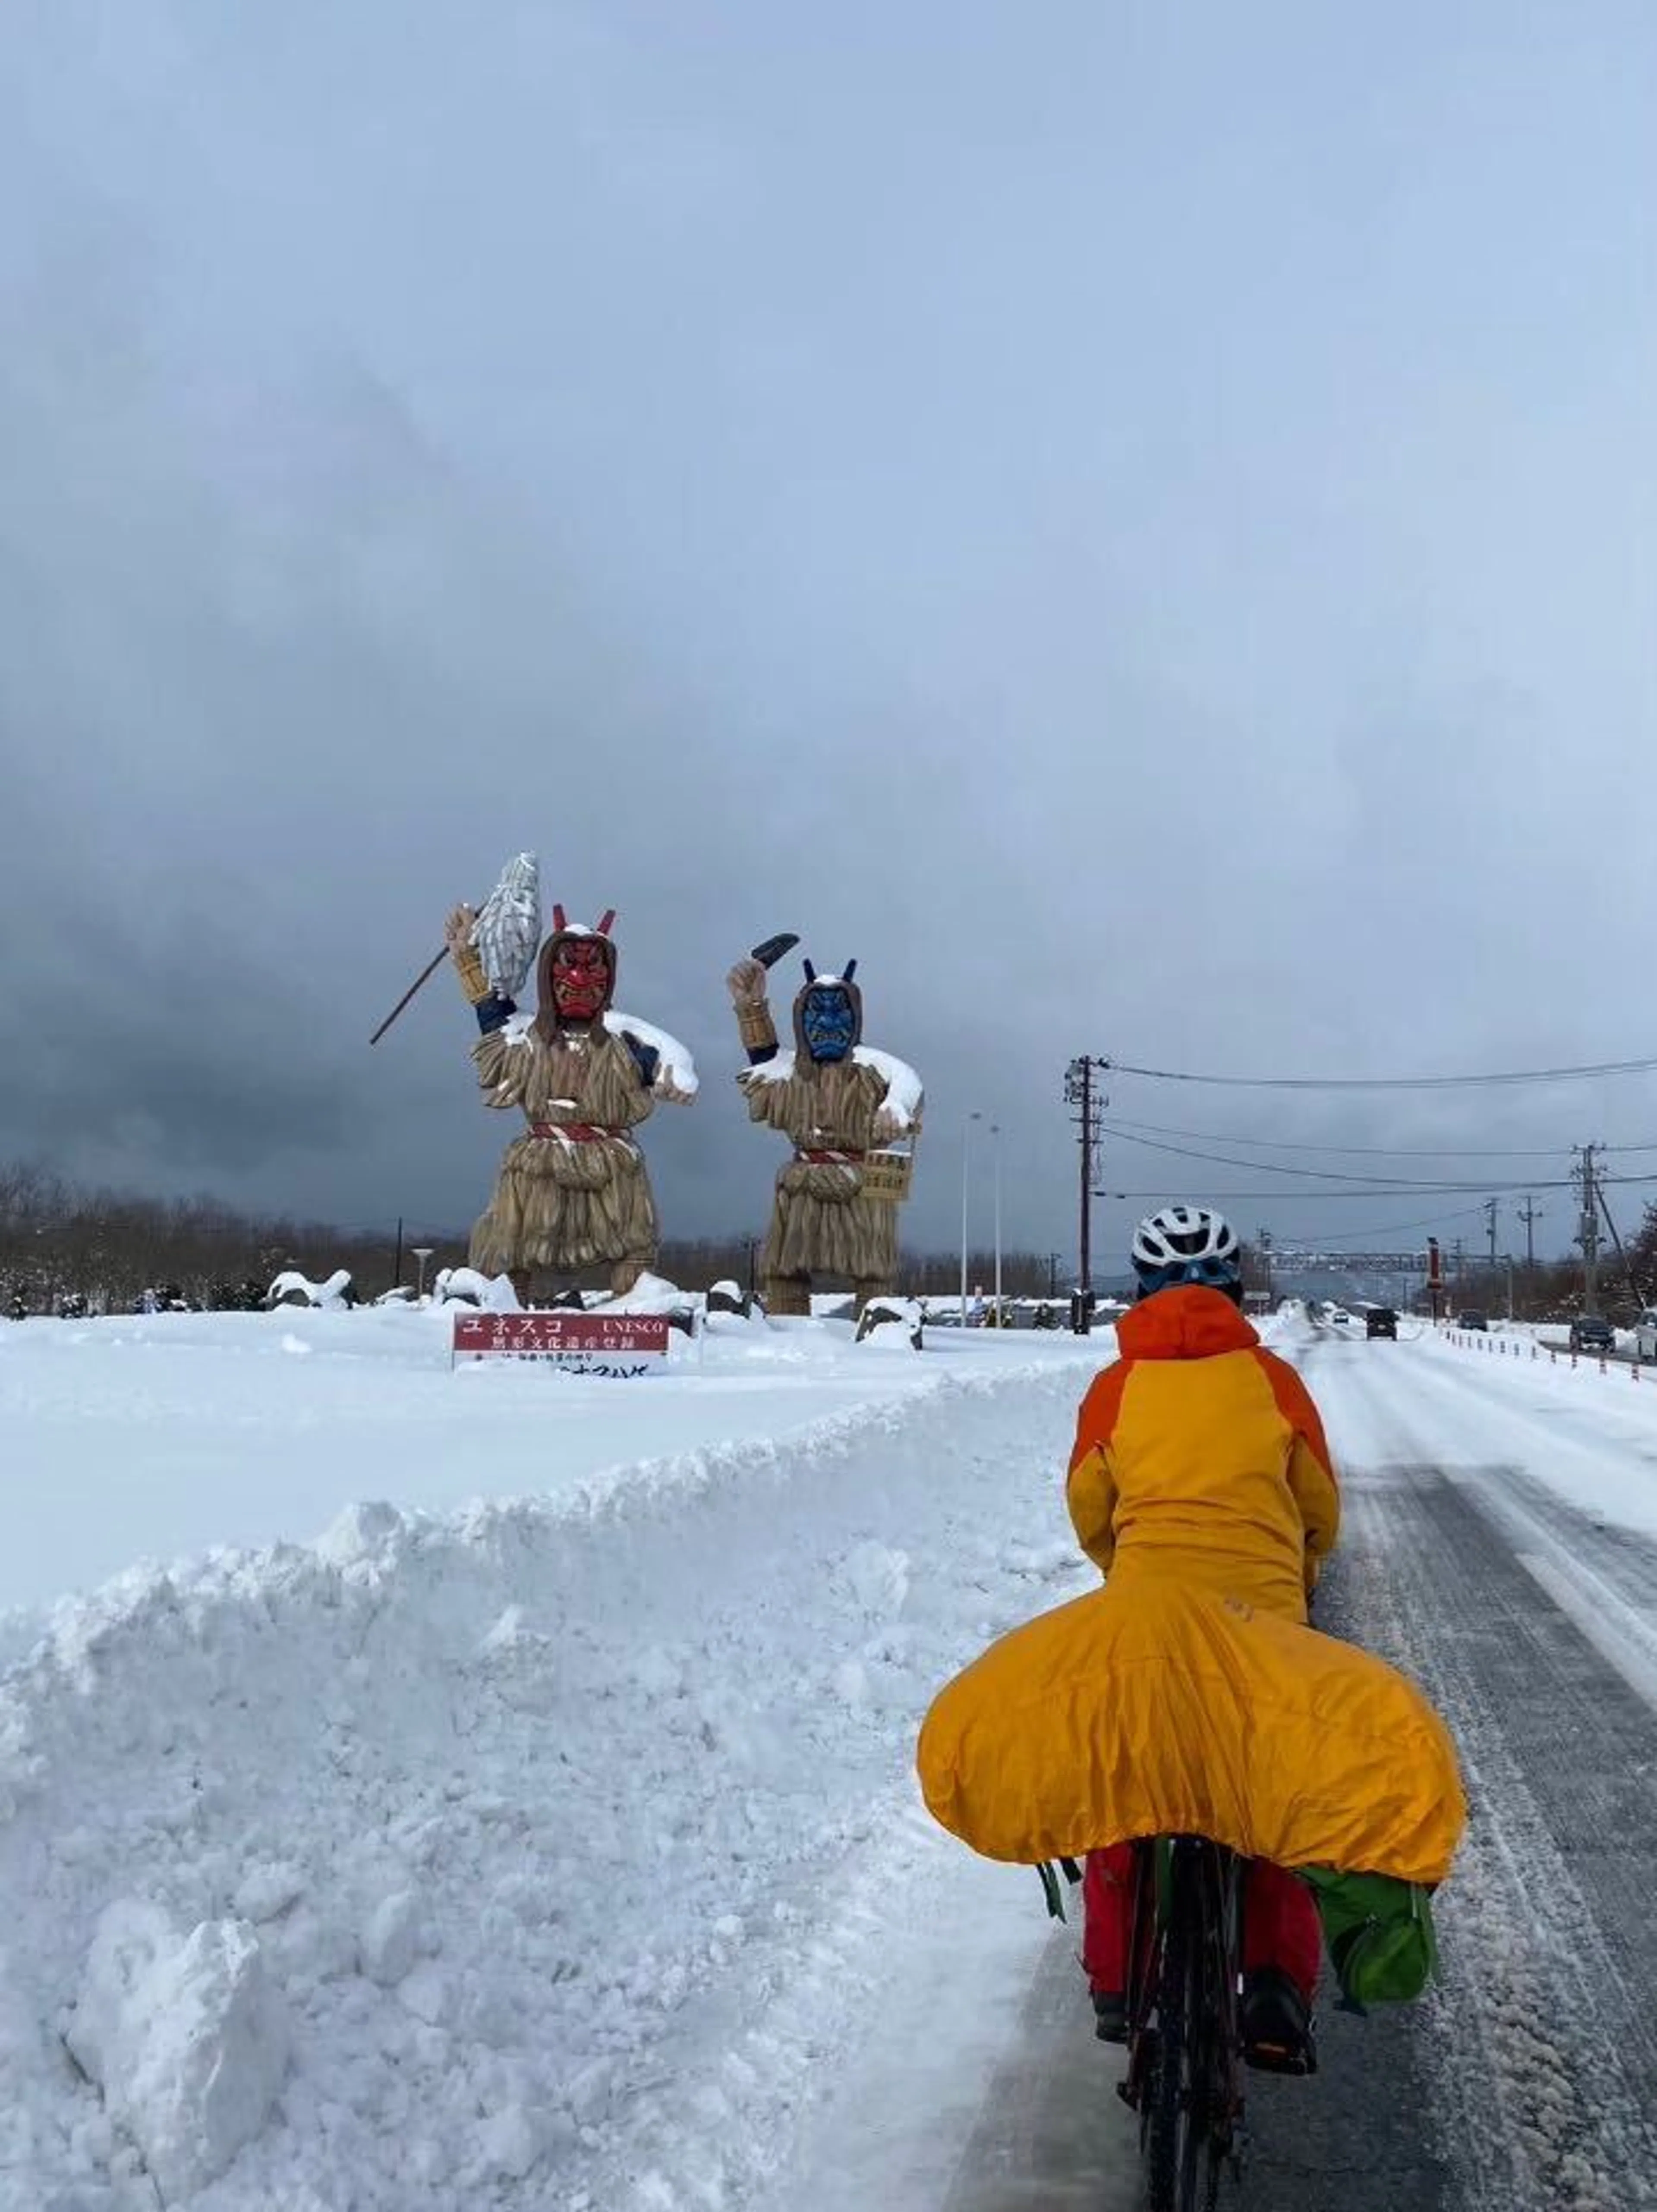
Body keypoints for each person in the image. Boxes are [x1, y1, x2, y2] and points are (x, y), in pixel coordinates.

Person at [1067, 1204, 1337, 2074]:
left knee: (1126, 1788)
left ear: (1141, 1292)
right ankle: (1275, 1987)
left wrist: (1125, 1569)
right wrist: (1297, 1575)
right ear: (1235, 1291)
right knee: (1276, 1802)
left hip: (1148, 1624)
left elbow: (1090, 1512)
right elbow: (1319, 1510)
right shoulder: (1275, 1382)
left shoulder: (1115, 1388)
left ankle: (1118, 1982)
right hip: (1262, 1631)